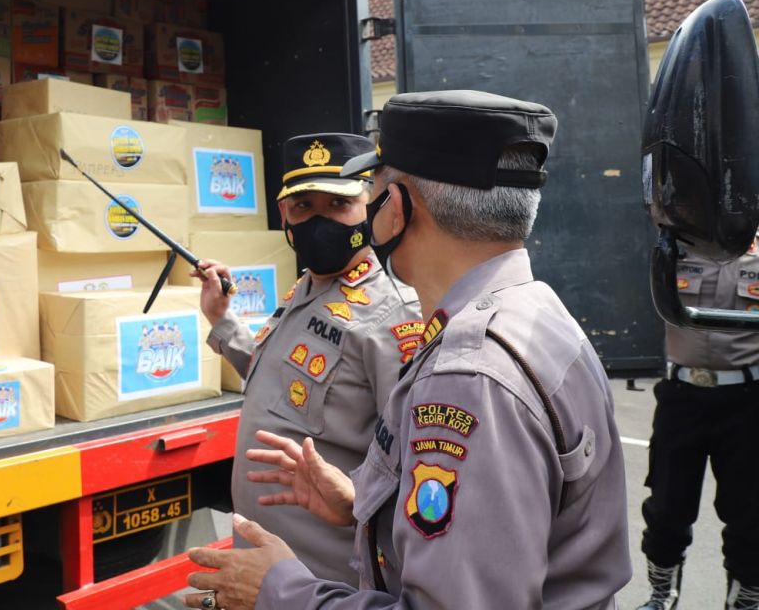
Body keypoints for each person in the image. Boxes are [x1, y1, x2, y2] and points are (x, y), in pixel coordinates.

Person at [184, 90, 631, 610]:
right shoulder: (537, 314)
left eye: (370, 187)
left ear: (393, 209)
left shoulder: (467, 376)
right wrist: (365, 505)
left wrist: (279, 593)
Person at [191, 133, 421, 587]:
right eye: (303, 208)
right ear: (284, 215)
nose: (318, 223)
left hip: (325, 583)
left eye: (337, 206)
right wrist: (222, 319)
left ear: (370, 207)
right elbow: (281, 378)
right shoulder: (308, 288)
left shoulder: (393, 315)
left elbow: (416, 467)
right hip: (267, 570)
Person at [635, 238, 759, 609]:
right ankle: (661, 595)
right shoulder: (673, 248)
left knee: (750, 516)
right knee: (667, 507)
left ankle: (745, 602)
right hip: (683, 396)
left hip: (747, 401)